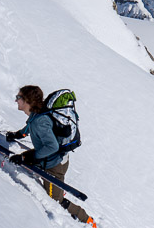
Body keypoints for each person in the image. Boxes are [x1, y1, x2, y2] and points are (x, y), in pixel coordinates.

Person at [8, 85, 95, 226]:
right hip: (54, 158)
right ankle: (57, 189)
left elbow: (52, 146)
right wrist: (18, 134)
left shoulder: (39, 121)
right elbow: (31, 125)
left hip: (54, 165)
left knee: (55, 200)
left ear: (27, 101)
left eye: (19, 98)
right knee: (24, 158)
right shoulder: (38, 113)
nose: (16, 100)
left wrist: (32, 157)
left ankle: (86, 219)